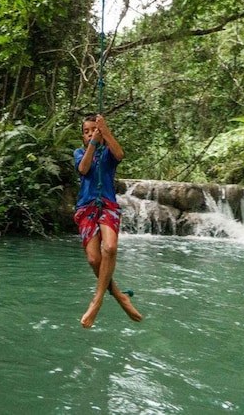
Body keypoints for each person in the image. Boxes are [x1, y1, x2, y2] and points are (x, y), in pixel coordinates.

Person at [73, 114, 143, 328]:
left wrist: (106, 132)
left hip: (108, 205)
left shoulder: (108, 153)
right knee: (94, 260)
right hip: (86, 207)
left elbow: (120, 154)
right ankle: (121, 297)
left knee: (110, 247)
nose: (90, 133)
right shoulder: (79, 153)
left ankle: (97, 301)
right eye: (86, 131)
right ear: (83, 137)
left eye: (94, 129)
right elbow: (83, 169)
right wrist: (94, 141)